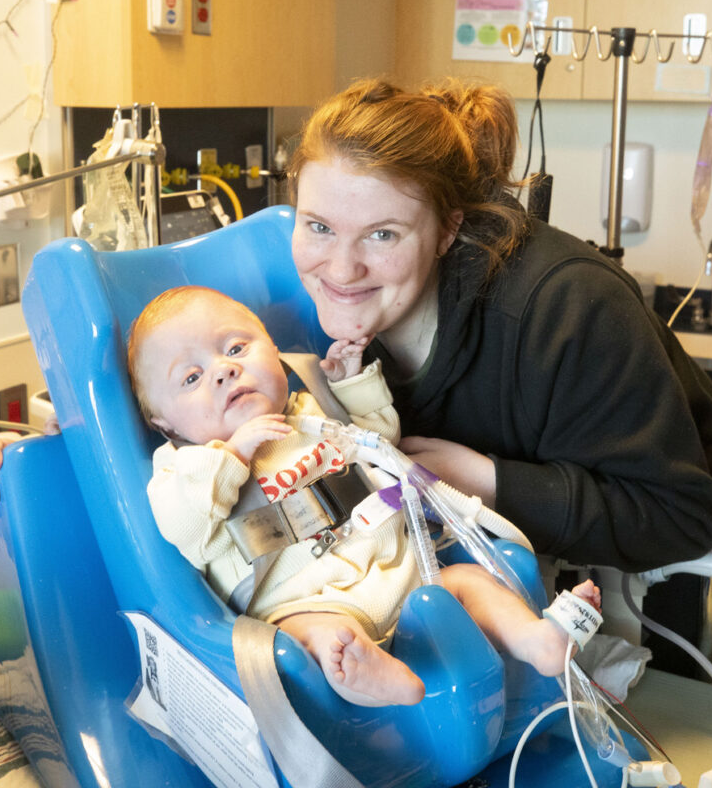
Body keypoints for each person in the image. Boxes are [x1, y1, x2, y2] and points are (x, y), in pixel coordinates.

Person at [0, 76, 712, 679]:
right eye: (317, 226)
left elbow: (679, 514)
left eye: (382, 235)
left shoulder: (563, 310)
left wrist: (476, 475)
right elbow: (198, 397)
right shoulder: (313, 308)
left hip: (709, 605)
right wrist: (44, 461)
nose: (339, 267)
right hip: (528, 605)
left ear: (448, 229)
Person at [125, 284, 601, 707]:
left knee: (470, 582)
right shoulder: (182, 468)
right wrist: (232, 456)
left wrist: (352, 386)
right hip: (310, 602)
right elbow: (184, 528)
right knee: (312, 640)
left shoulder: (309, 410)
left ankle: (537, 640)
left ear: (273, 350)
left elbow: (380, 444)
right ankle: (368, 675)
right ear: (164, 424)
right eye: (191, 378)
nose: (224, 370)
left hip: (403, 572)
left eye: (236, 348)